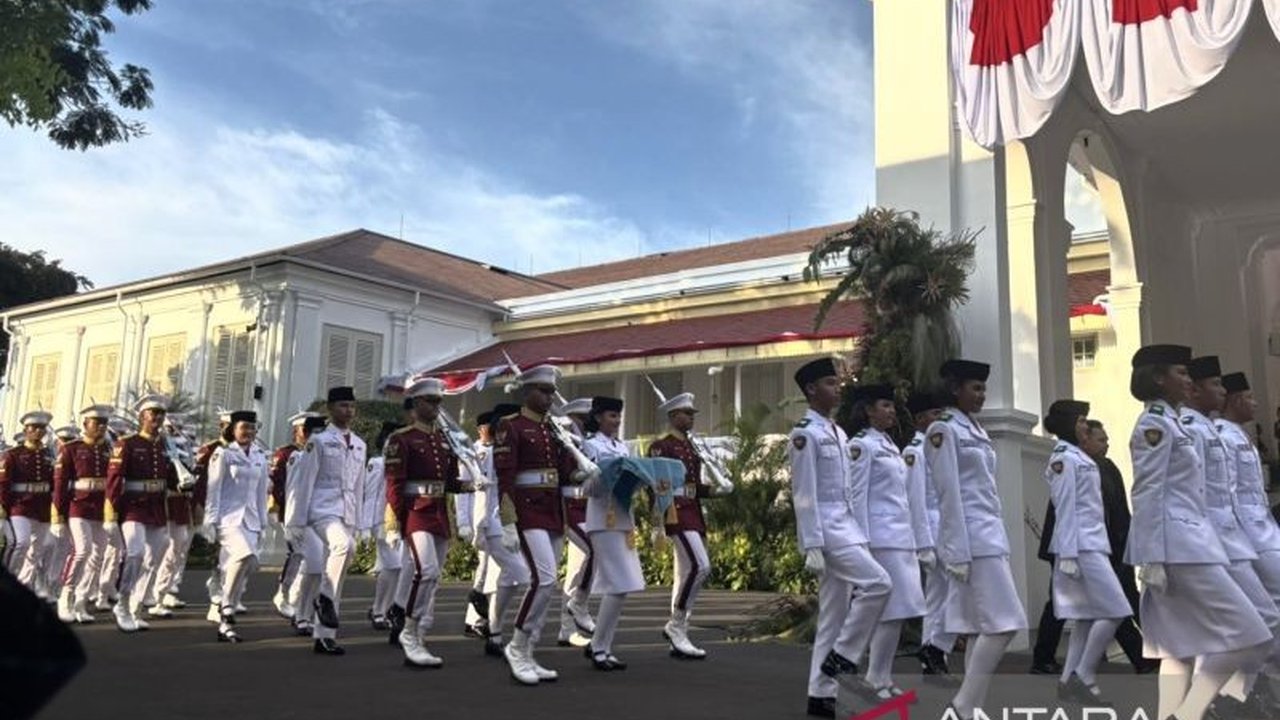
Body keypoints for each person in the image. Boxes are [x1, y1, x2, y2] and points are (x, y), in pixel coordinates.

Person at [1126, 345, 1270, 720]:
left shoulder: (1171, 421)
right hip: (1179, 547)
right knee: (1250, 634)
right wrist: (1151, 556)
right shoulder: (1154, 424)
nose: (1188, 380)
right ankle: (1190, 712)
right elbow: (1147, 491)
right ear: (1159, 377)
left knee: (1179, 647)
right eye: (1182, 373)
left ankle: (1174, 714)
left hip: (1194, 542)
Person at [788, 358, 892, 719]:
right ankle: (843, 657)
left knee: (833, 615)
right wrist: (812, 542)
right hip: (829, 530)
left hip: (846, 527)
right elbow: (804, 492)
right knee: (879, 583)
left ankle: (820, 695)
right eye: (830, 383)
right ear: (812, 390)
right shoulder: (805, 433)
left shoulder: (838, 432)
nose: (837, 389)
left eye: (837, 383)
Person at [925, 359, 1027, 720]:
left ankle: (973, 709)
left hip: (988, 535)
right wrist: (955, 550)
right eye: (975, 388)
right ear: (955, 390)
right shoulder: (944, 429)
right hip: (970, 538)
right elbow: (947, 492)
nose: (982, 395)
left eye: (983, 389)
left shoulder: (975, 430)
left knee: (977, 626)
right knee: (1005, 623)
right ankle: (963, 703)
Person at [1181, 356, 1280, 714]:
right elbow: (1199, 491)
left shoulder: (1224, 433)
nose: (1222, 394)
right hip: (1227, 535)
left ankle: (1242, 689)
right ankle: (1229, 692)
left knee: (1250, 617)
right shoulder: (1203, 430)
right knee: (1251, 617)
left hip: (1248, 531)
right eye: (1217, 386)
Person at [493, 364, 581, 685]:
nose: (548, 397)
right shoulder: (510, 426)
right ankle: (516, 647)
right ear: (526, 391)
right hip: (527, 511)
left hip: (552, 510)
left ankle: (529, 651)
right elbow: (505, 478)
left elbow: (566, 469)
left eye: (551, 392)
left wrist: (580, 468)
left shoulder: (552, 429)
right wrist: (507, 522)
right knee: (543, 580)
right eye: (543, 391)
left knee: (549, 582)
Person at [1042, 399, 1132, 705]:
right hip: (1080, 546)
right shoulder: (1064, 459)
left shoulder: (1078, 457)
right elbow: (1064, 507)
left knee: (1084, 618)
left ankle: (1068, 680)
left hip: (1091, 543)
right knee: (1116, 609)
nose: (1084, 425)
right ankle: (1084, 675)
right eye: (1080, 420)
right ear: (1068, 424)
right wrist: (1067, 554)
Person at [847, 383, 928, 702]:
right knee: (889, 610)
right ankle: (872, 676)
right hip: (880, 539)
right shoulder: (862, 445)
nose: (891, 410)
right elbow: (857, 496)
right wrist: (861, 542)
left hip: (900, 537)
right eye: (884, 405)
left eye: (892, 406)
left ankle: (881, 675)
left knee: (901, 609)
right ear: (868, 410)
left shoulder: (890, 444)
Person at [385, 377, 471, 668]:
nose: (436, 406)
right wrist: (396, 521)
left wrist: (469, 485)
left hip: (438, 513)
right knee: (427, 571)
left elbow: (447, 482)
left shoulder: (442, 439)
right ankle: (409, 631)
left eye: (438, 401)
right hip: (416, 512)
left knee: (433, 577)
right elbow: (395, 484)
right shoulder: (402, 438)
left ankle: (419, 632)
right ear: (417, 403)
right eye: (431, 401)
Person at [646, 391, 732, 659]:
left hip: (693, 511)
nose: (691, 418)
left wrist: (716, 491)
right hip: (676, 512)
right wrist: (656, 521)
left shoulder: (693, 447)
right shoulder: (662, 446)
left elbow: (693, 487)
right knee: (700, 566)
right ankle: (676, 624)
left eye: (692, 414)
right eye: (686, 413)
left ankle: (679, 634)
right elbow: (657, 484)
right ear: (673, 416)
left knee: (686, 574)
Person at [285, 386, 367, 655]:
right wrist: (295, 521)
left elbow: (358, 486)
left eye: (351, 406)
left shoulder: (359, 444)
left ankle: (325, 635)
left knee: (346, 555)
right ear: (331, 409)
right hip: (320, 509)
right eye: (343, 405)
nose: (348, 411)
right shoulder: (317, 441)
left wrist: (359, 522)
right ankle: (324, 599)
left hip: (346, 511)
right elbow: (303, 482)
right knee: (342, 546)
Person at [1220, 371, 1280, 709]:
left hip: (1263, 528)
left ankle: (1251, 684)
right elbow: (1226, 494)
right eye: (1250, 397)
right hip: (1248, 534)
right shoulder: (1224, 437)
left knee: (1269, 611)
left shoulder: (1239, 436)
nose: (1255, 403)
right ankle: (1245, 685)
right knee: (1265, 613)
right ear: (1235, 400)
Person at [104, 394, 177, 633]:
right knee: (134, 552)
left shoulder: (165, 444)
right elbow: (114, 480)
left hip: (156, 507)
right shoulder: (127, 443)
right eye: (152, 413)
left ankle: (136, 607)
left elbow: (170, 475)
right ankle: (122, 604)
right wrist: (110, 513)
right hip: (133, 506)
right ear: (141, 416)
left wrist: (182, 481)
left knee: (155, 556)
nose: (157, 417)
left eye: (160, 414)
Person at [581, 396, 643, 670]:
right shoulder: (590, 445)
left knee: (622, 587)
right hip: (601, 519)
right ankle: (598, 647)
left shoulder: (623, 446)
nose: (616, 421)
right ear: (597, 418)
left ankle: (603, 646)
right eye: (610, 416)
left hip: (622, 518)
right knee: (619, 584)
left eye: (618, 416)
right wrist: (605, 474)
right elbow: (588, 488)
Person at [904, 389, 957, 684]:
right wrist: (923, 544)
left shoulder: (935, 447)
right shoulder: (915, 451)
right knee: (956, 592)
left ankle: (933, 662)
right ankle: (935, 651)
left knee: (938, 598)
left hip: (944, 527)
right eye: (934, 414)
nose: (939, 419)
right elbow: (916, 500)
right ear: (920, 419)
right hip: (933, 530)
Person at [204, 410, 269, 643]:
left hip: (250, 520)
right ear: (233, 429)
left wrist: (263, 524)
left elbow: (261, 494)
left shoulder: (260, 456)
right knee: (242, 555)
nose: (249, 432)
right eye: (244, 428)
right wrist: (210, 521)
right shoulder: (223, 454)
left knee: (245, 564)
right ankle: (227, 606)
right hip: (228, 519)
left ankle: (225, 624)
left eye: (252, 428)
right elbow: (214, 489)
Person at [473, 403, 530, 658]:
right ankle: (516, 635)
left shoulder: (518, 449)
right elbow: (484, 493)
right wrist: (477, 526)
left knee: (509, 576)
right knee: (523, 574)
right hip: (496, 521)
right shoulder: (490, 452)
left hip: (515, 520)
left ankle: (494, 632)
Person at [52, 404, 115, 624]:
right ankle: (65, 596)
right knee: (82, 551)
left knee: (98, 556)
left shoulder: (109, 449)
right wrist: (58, 516)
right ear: (85, 424)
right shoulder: (71, 448)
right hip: (78, 505)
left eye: (104, 423)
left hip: (100, 508)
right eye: (97, 423)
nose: (102, 427)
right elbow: (60, 484)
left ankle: (81, 600)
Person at [269, 411, 323, 620]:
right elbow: (281, 485)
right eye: (306, 430)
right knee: (297, 554)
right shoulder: (288, 454)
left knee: (310, 558)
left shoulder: (318, 452)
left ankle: (296, 597)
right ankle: (283, 594)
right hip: (291, 512)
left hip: (315, 514)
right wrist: (280, 511)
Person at [556, 396, 596, 649]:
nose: (582, 425)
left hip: (588, 508)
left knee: (577, 570)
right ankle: (576, 608)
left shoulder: (588, 444)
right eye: (580, 419)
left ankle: (566, 628)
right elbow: (564, 474)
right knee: (594, 551)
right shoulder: (564, 444)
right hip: (569, 507)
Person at [1, 410, 54, 597]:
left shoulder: (49, 455)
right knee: (21, 543)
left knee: (37, 550)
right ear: (26, 430)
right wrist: (3, 510)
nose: (39, 431)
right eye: (34, 428)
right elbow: (4, 484)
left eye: (42, 428)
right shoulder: (13, 455)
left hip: (42, 508)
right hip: (20, 506)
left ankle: (22, 586)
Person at [363, 420, 403, 632]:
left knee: (397, 569)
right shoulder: (378, 463)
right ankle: (379, 610)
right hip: (382, 520)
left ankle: (384, 609)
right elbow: (370, 495)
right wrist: (365, 526)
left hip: (402, 521)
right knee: (393, 566)